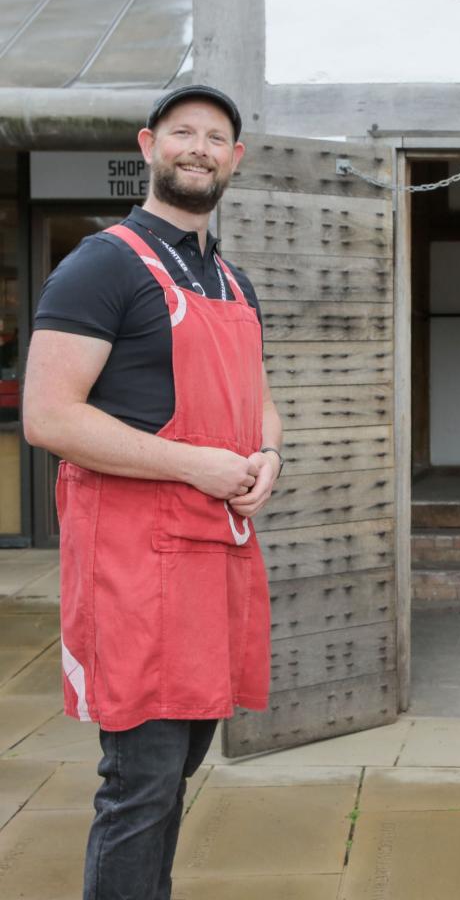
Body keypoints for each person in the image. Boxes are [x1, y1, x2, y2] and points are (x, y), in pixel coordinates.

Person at [23, 84, 281, 900]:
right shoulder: (101, 264)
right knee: (138, 784)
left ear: (234, 160)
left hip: (212, 560)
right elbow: (47, 415)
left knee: (179, 772)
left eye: (215, 138)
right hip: (132, 568)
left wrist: (267, 455)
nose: (199, 148)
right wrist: (195, 465)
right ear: (149, 145)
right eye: (183, 133)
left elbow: (260, 398)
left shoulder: (233, 282)